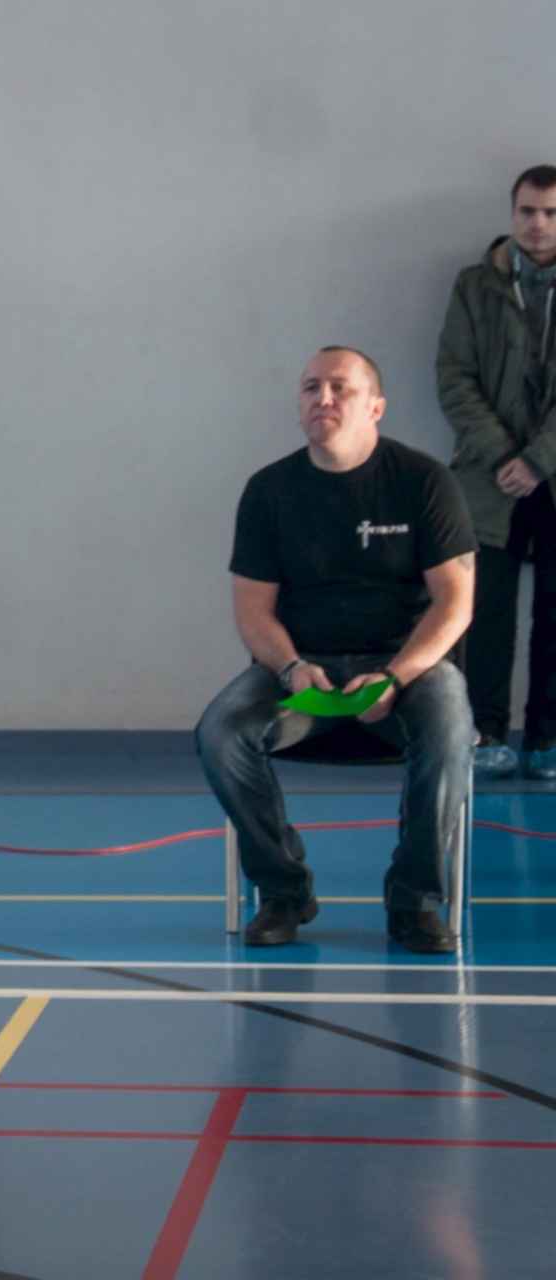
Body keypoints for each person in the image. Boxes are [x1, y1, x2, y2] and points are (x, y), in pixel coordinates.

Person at [197, 347, 476, 953]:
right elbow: (253, 610)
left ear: (375, 406)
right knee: (220, 732)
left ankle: (416, 900)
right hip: (299, 673)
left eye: (340, 388)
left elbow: (455, 602)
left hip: (407, 672)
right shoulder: (269, 490)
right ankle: (284, 891)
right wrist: (294, 669)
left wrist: (394, 679)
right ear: (299, 407)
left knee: (452, 726)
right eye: (311, 388)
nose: (323, 398)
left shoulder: (425, 482)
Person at [438, 164, 556, 779]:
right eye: (527, 211)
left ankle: (546, 740)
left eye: (551, 213)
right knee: (484, 613)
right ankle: (486, 733)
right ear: (512, 214)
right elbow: (454, 378)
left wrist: (539, 459)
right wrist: (506, 457)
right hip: (490, 480)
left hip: (551, 473)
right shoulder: (474, 286)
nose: (538, 224)